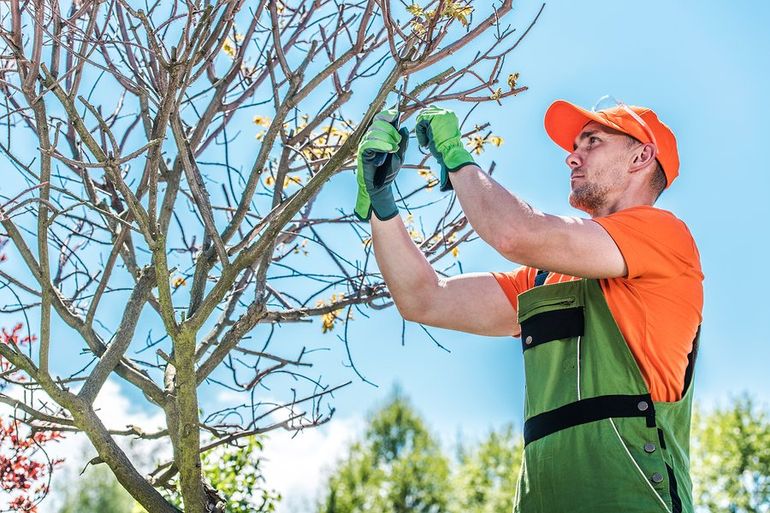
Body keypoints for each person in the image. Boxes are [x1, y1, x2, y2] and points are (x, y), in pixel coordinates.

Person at [353, 99, 703, 513]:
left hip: (632, 497)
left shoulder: (665, 236)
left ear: (641, 155)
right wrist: (382, 205)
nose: (572, 156)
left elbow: (515, 234)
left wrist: (457, 159)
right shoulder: (543, 279)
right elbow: (423, 299)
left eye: (592, 141)